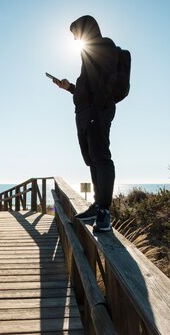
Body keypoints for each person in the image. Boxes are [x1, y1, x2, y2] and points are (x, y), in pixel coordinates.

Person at [53, 15, 118, 232]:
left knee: (101, 157)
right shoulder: (87, 52)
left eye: (75, 33)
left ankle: (104, 211)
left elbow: (106, 81)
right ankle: (97, 205)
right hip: (84, 113)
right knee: (91, 160)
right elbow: (87, 87)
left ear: (85, 29)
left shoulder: (103, 45)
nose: (74, 39)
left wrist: (97, 108)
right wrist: (69, 87)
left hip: (95, 112)